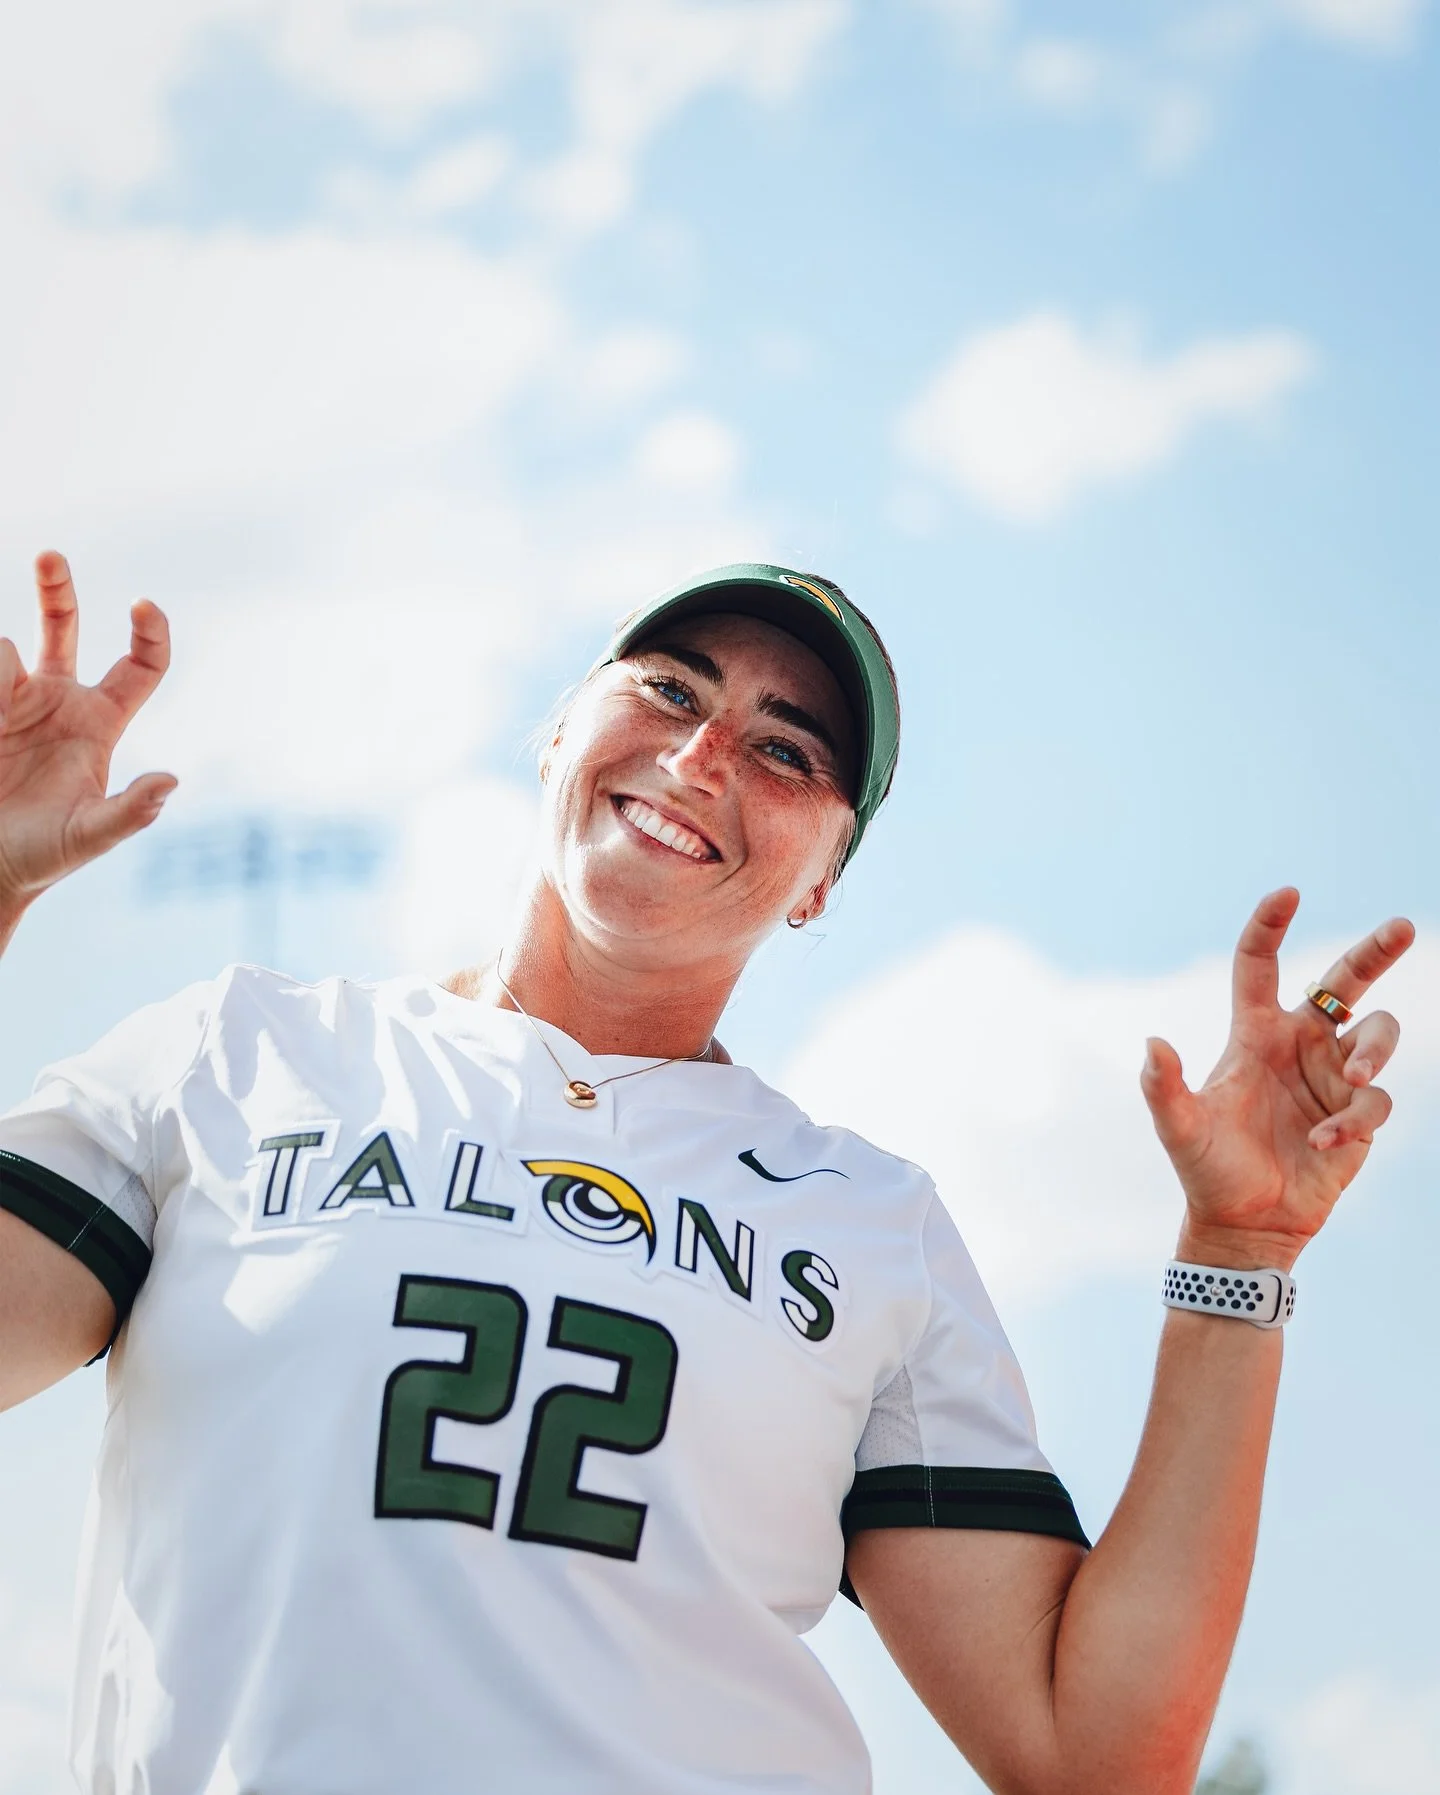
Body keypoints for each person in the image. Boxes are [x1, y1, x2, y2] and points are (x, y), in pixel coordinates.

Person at [0, 551, 1412, 1795]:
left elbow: (1094, 1755)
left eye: (788, 750)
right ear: (559, 734)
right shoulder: (234, 1055)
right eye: (672, 690)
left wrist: (1240, 1249)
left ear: (821, 885)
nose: (706, 754)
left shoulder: (869, 1224)